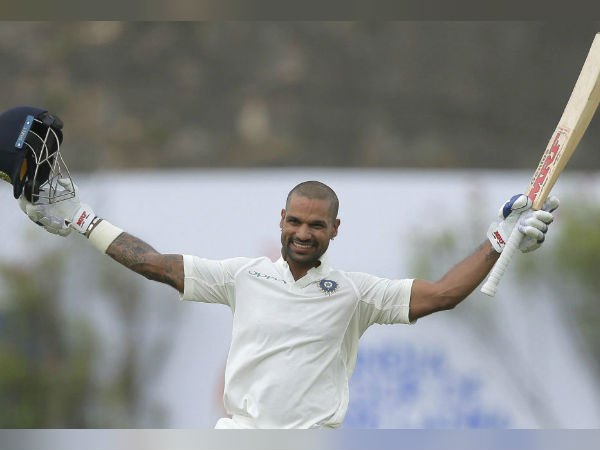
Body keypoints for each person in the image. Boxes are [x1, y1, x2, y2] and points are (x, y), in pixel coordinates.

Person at [17, 179, 559, 429]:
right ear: (281, 220)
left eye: (316, 225)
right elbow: (155, 264)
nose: (303, 233)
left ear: (335, 229)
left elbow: (442, 294)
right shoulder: (242, 276)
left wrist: (498, 240)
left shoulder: (355, 293)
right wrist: (83, 218)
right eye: (295, 221)